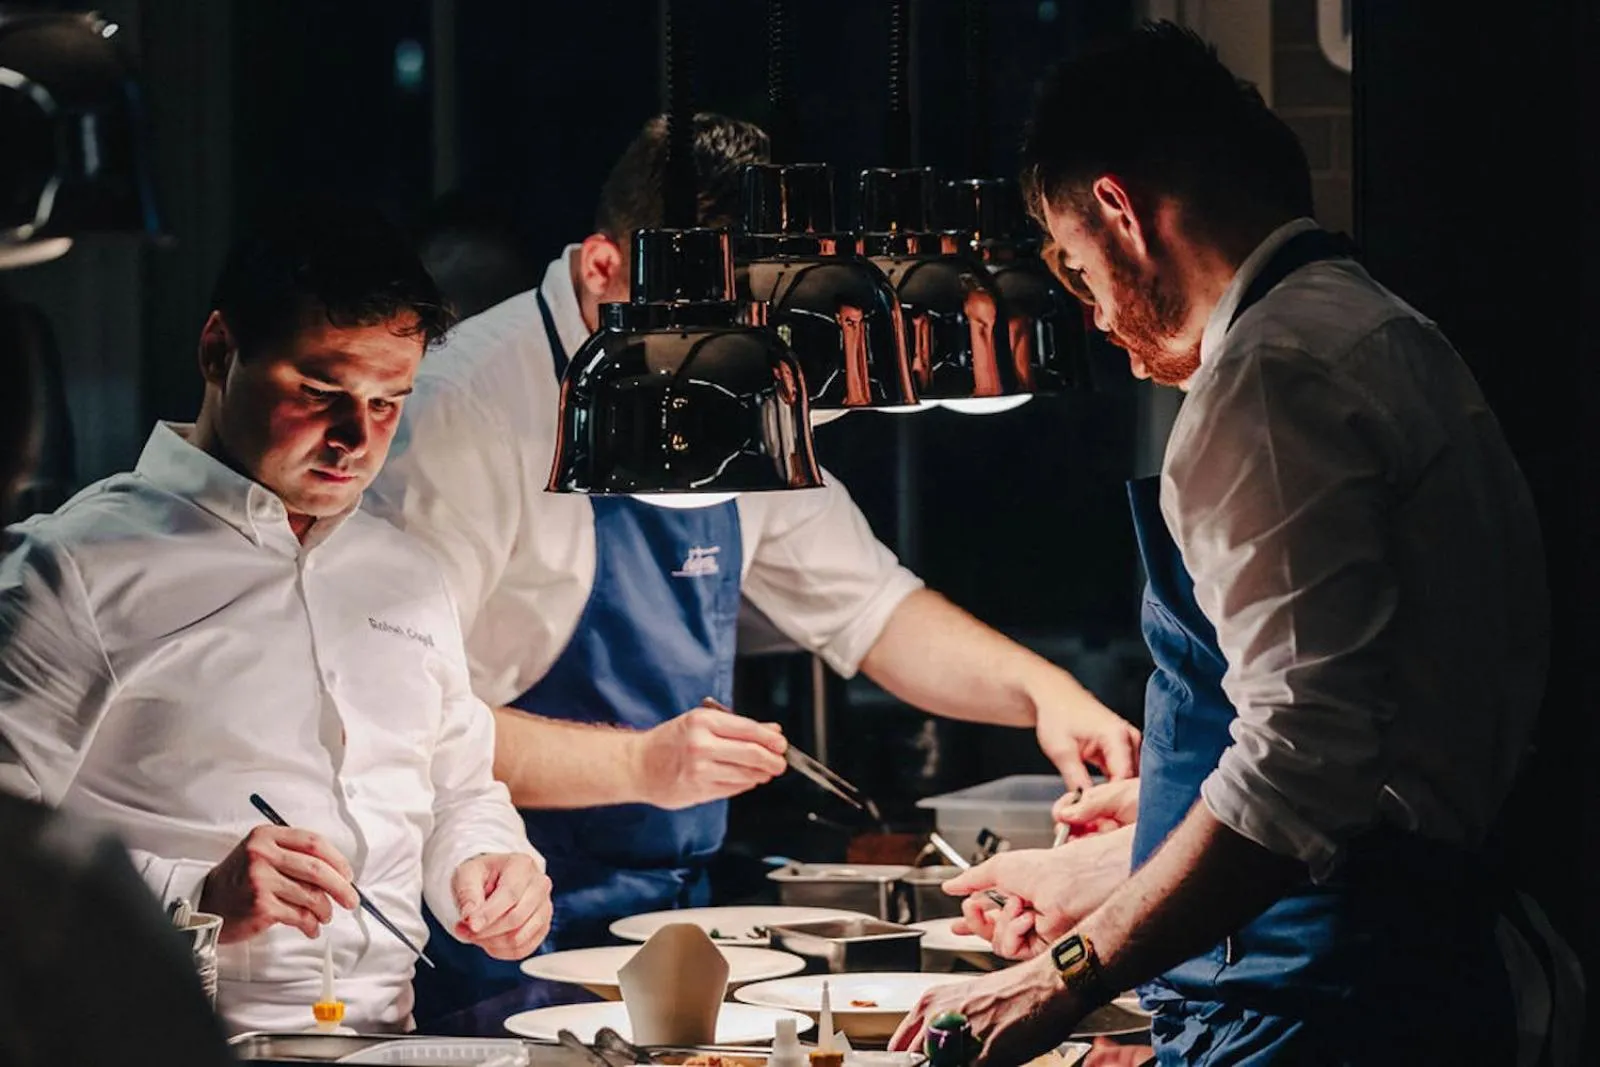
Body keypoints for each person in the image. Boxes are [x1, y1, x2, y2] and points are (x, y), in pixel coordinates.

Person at [363, 111, 1142, 1016]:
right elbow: (403, 718)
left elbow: (872, 608)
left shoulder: (735, 380)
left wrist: (1045, 692)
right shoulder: (466, 408)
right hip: (504, 916)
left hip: (675, 914)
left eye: (744, 316)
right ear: (604, 265)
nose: (722, 350)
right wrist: (641, 766)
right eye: (701, 311)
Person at [891, 23, 1547, 1066]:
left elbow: (1303, 765)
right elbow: (1367, 748)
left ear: (1117, 210)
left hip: (1319, 1006)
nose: (1095, 313)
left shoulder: (1271, 381)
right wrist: (1153, 835)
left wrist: (1062, 976)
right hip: (1357, 977)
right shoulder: (1372, 330)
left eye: (1073, 266)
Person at [0, 198, 554, 1035]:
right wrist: (198, 896)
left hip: (389, 1041)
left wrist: (488, 859)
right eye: (322, 391)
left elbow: (458, 787)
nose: (354, 440)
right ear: (220, 350)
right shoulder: (68, 570)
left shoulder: (407, 573)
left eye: (386, 403)